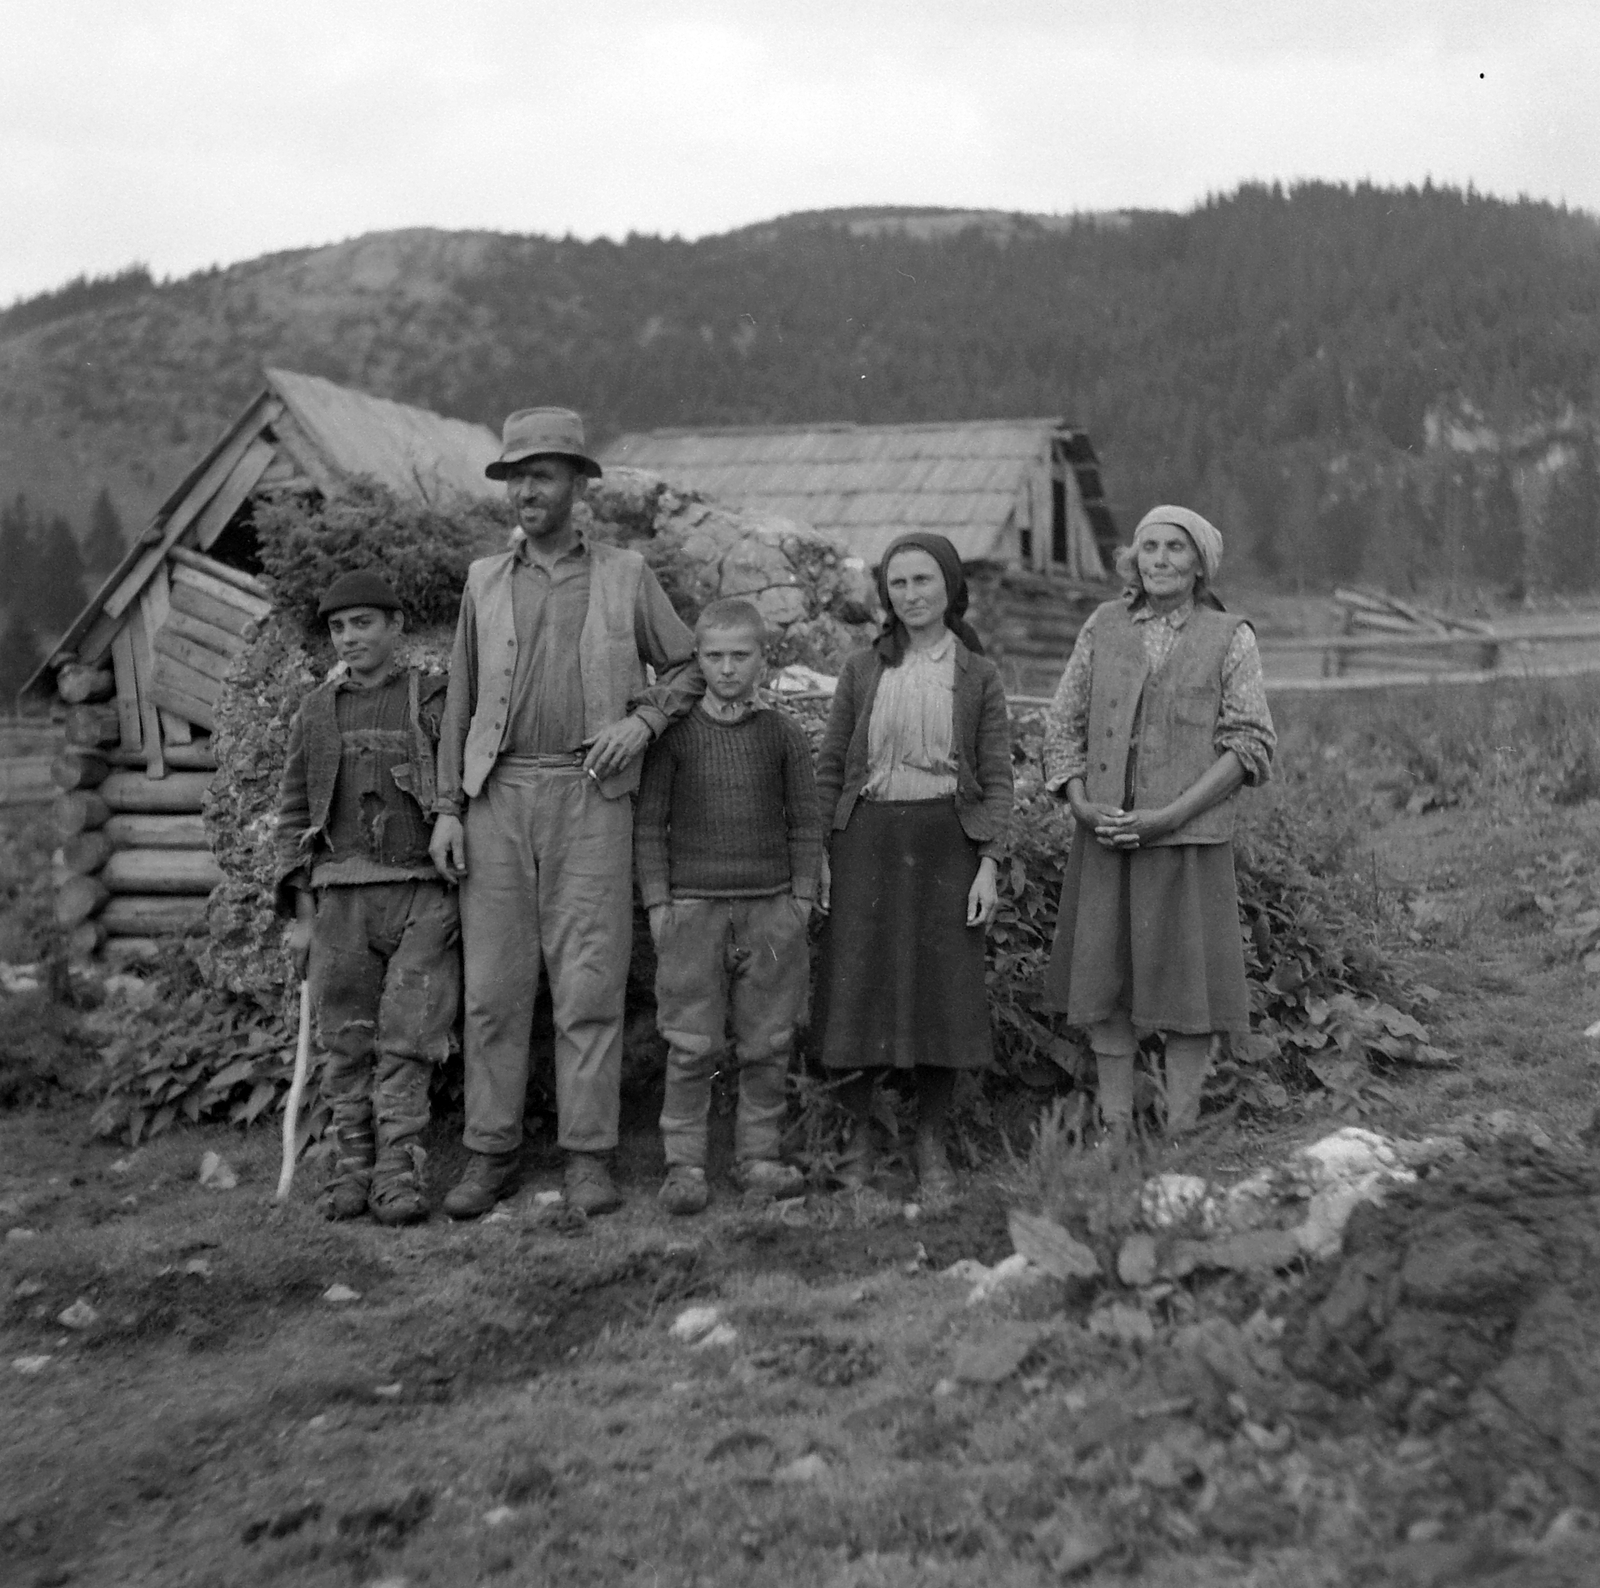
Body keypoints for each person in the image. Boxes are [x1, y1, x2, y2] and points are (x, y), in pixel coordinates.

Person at [430, 407, 702, 1219]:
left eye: (542, 474)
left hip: (592, 798)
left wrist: (641, 722)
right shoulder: (483, 581)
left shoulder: (625, 574)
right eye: (516, 476)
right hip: (498, 799)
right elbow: (461, 704)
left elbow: (688, 666)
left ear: (579, 485)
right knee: (494, 988)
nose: (526, 490)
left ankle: (589, 1157)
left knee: (589, 984)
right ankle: (490, 1153)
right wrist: (449, 807)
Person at [1041, 506, 1276, 1136]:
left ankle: (1181, 1129)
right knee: (1105, 982)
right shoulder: (1104, 626)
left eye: (1176, 548)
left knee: (1186, 992)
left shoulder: (1230, 637)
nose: (1161, 559)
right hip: (1108, 838)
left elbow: (1249, 744)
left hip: (1188, 840)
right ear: (1134, 559)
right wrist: (1082, 801)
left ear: (1200, 564)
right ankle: (1116, 1130)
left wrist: (1170, 815)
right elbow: (1062, 722)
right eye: (1150, 547)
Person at [814, 532, 1013, 1195]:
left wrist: (988, 863)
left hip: (944, 847)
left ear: (951, 587)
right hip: (866, 842)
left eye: (924, 581)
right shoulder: (862, 668)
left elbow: (997, 777)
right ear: (885, 595)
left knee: (943, 999)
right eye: (898, 584)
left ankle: (931, 1146)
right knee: (858, 993)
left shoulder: (978, 675)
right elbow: (831, 764)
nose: (911, 596)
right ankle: (859, 1146)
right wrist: (819, 853)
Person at [275, 570, 458, 1225]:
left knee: (410, 1042)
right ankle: (347, 1172)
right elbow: (294, 811)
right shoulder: (315, 713)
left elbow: (458, 791)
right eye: (338, 627)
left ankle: (398, 1177)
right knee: (346, 1044)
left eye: (363, 623)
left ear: (396, 626)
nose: (349, 638)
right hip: (340, 902)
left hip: (422, 900)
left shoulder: (432, 700)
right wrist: (300, 919)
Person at [634, 597, 823, 1214]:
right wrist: (660, 904)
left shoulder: (782, 735)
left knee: (767, 1043)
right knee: (691, 1044)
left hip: (770, 909)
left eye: (741, 656)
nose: (726, 669)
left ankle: (758, 1157)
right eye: (713, 657)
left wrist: (798, 899)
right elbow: (649, 826)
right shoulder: (676, 738)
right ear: (698, 660)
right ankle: (684, 1164)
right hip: (693, 909)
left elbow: (804, 824)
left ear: (763, 661)